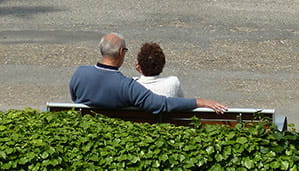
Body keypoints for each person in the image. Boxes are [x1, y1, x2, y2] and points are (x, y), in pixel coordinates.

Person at [69, 33, 227, 114]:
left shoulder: (79, 74)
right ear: (121, 52)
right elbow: (163, 104)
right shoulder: (127, 87)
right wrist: (200, 102)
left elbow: (76, 99)